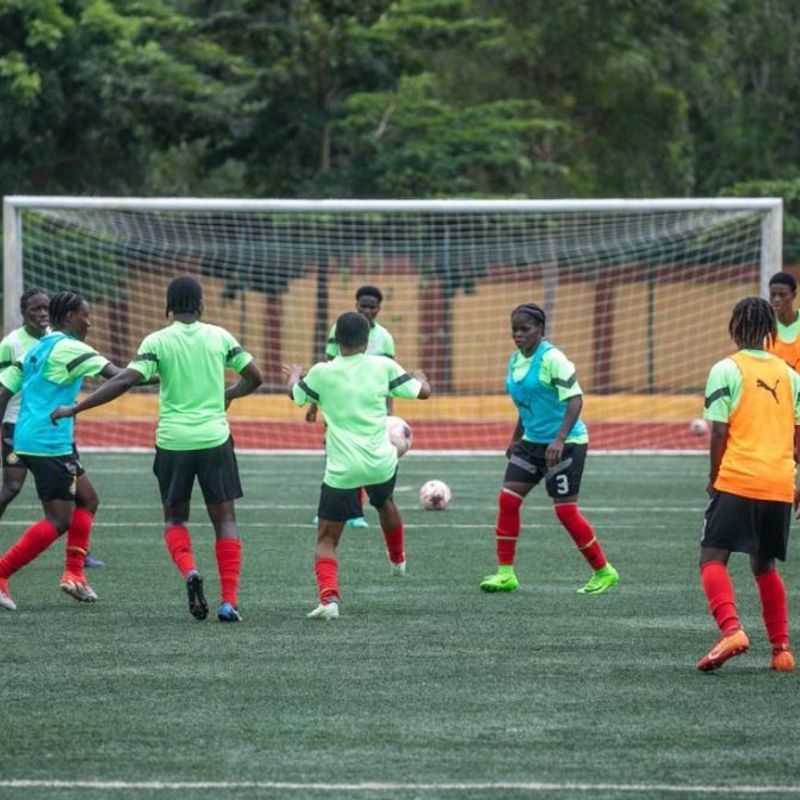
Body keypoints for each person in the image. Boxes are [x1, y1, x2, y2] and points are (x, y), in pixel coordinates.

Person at [51, 276, 262, 623]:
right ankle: (229, 602)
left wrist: (76, 408)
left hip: (173, 442)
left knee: (175, 518)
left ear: (168, 307)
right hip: (214, 439)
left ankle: (191, 571)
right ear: (201, 305)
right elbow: (256, 377)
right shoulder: (220, 337)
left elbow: (124, 380)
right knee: (225, 519)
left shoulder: (157, 341)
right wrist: (229, 394)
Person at [284, 310, 430, 620]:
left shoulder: (322, 372)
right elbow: (423, 393)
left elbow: (295, 396)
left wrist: (296, 373)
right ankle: (397, 559)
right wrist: (420, 378)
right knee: (385, 501)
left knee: (326, 539)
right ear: (367, 341)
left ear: (336, 342)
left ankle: (329, 600)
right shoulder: (383, 366)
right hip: (381, 462)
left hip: (342, 469)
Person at [479, 303, 619, 596]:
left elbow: (575, 400)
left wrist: (559, 439)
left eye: (525, 329)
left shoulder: (554, 359)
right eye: (514, 329)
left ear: (540, 330)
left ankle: (604, 571)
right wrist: (517, 437)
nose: (518, 335)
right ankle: (506, 574)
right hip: (531, 443)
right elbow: (527, 403)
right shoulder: (515, 361)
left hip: (566, 444)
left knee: (565, 511)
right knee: (508, 500)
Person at [0, 291, 124, 611]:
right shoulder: (70, 347)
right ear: (69, 316)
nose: (90, 322)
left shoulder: (38, 345)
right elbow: (121, 378)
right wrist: (164, 370)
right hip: (48, 442)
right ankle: (1, 573)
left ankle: (74, 574)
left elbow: (4, 391)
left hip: (31, 437)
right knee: (58, 520)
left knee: (88, 499)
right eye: (86, 315)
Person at [696, 296, 798, 672]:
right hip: (778, 482)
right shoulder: (790, 375)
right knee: (764, 565)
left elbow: (720, 431)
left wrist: (714, 476)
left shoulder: (726, 369)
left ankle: (732, 630)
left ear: (734, 327)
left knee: (712, 557)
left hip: (739, 477)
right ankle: (782, 650)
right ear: (772, 331)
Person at [308, 284, 397, 529]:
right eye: (363, 306)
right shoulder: (340, 328)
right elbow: (328, 366)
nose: (367, 310)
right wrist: (315, 406)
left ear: (379, 309)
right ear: (356, 305)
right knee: (335, 453)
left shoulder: (385, 338)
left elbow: (391, 379)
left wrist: (390, 412)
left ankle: (356, 513)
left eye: (372, 306)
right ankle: (337, 509)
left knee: (364, 455)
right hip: (339, 401)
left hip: (369, 406)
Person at [767, 271, 800, 370]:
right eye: (773, 295)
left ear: (793, 295)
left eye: (782, 295)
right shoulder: (765, 326)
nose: (776, 299)